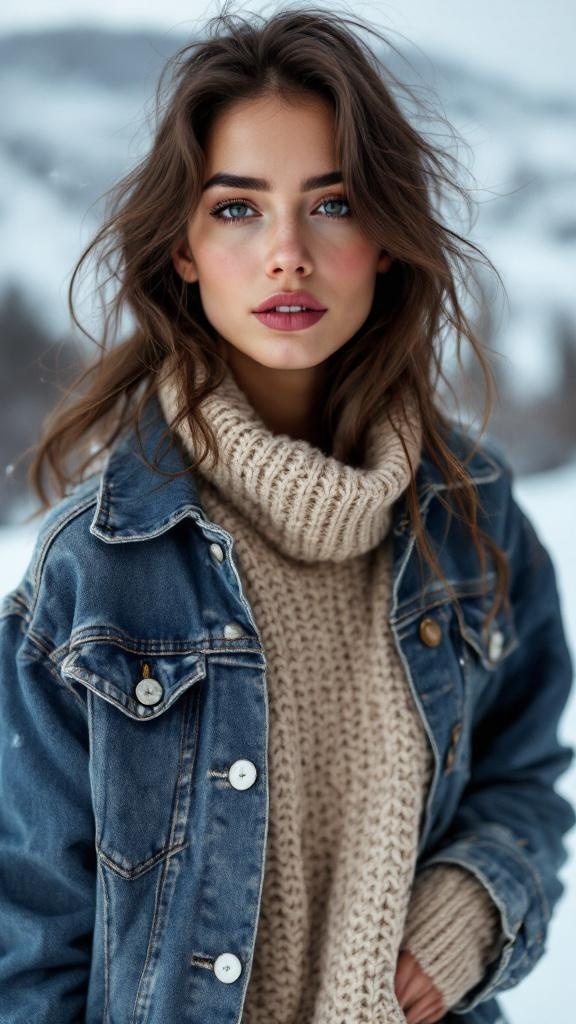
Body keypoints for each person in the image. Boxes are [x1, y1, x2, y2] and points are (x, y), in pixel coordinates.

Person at [0, 4, 574, 1023]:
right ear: (181, 248)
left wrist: (475, 907)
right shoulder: (92, 570)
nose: (287, 254)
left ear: (387, 239)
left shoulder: (475, 524)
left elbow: (525, 773)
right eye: (237, 208)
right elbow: (30, 946)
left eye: (333, 203)